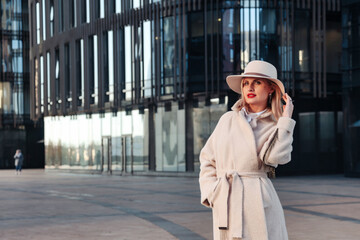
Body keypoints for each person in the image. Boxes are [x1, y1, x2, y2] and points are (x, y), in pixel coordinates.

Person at [199, 60, 295, 240]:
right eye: (245, 83)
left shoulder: (277, 124)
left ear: (270, 88)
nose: (249, 88)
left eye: (257, 82)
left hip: (259, 200)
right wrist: (213, 192)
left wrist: (286, 120)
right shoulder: (227, 119)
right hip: (227, 199)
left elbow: (277, 157)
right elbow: (207, 159)